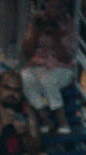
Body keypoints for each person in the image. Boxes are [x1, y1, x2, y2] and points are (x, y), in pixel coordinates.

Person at [20, 0, 76, 135]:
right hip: (38, 65)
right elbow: (27, 53)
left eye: (60, 6)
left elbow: (66, 57)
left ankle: (62, 121)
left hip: (62, 67)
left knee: (47, 80)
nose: (56, 10)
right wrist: (36, 31)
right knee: (24, 78)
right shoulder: (39, 20)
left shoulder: (69, 24)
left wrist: (57, 37)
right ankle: (45, 118)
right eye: (53, 6)